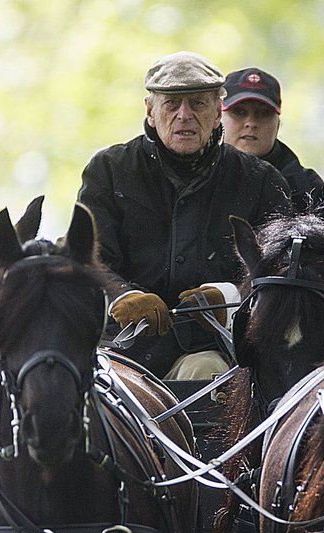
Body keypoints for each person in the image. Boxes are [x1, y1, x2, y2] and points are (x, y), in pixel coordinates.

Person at [77, 51, 292, 380]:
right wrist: (123, 295)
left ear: (218, 112)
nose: (184, 115)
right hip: (122, 350)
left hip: (216, 351)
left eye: (198, 104)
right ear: (150, 112)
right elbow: (85, 259)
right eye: (172, 104)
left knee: (204, 371)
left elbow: (282, 272)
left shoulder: (261, 180)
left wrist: (231, 297)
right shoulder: (109, 170)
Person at [221, 67, 324, 225]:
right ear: (218, 117)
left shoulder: (307, 188)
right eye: (239, 112)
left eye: (263, 114)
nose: (251, 123)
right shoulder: (200, 178)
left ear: (278, 124)